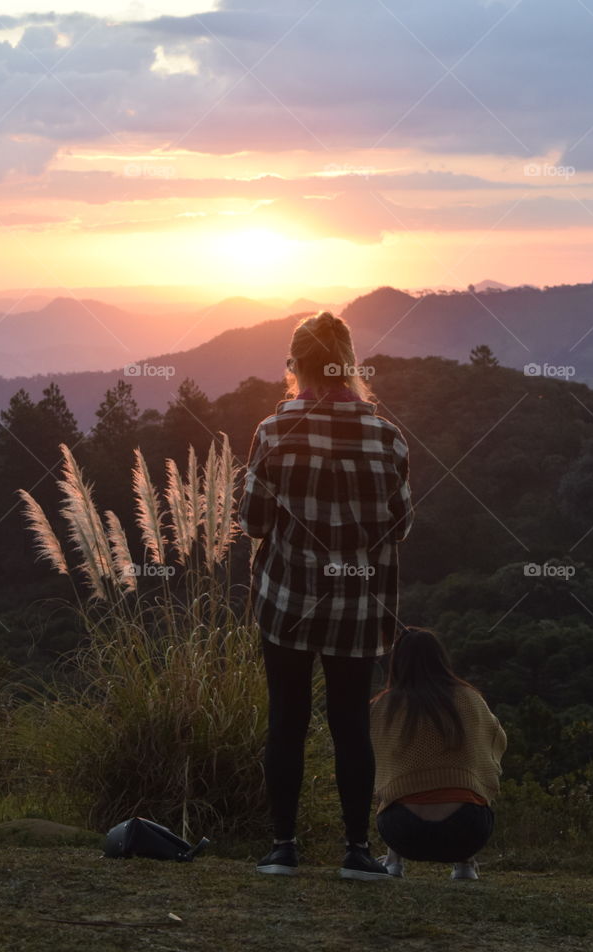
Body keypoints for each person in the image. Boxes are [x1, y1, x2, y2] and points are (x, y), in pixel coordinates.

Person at [238, 310, 413, 880]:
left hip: (288, 599)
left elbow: (254, 521)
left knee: (286, 718)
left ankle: (282, 848)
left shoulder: (274, 430)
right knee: (350, 725)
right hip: (358, 606)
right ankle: (357, 851)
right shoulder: (387, 435)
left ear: (296, 366)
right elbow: (401, 525)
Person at [370, 627, 507, 880]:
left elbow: (371, 761)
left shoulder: (382, 706)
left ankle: (393, 862)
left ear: (397, 661)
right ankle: (465, 865)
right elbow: (497, 739)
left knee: (391, 776)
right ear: (440, 658)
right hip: (468, 832)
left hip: (403, 833)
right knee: (472, 778)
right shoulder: (470, 698)